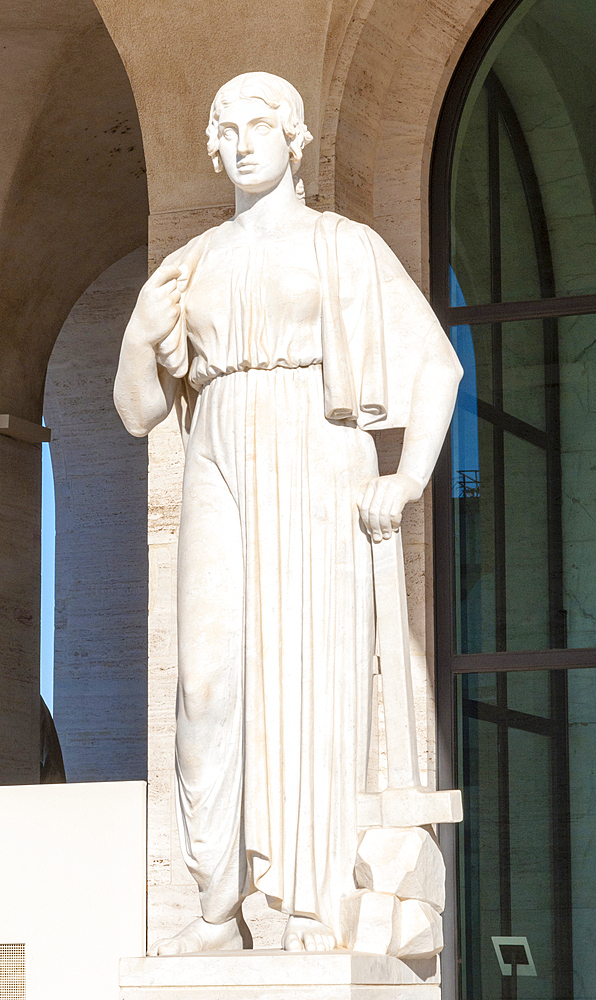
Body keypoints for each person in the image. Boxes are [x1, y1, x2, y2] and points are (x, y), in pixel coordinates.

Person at [114, 72, 462, 956]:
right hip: (216, 456)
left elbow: (438, 367)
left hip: (315, 451)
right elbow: (136, 411)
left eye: (258, 125)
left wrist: (408, 477)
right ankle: (218, 903)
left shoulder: (343, 246)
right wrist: (135, 336)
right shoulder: (189, 265)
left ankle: (314, 902)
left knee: (313, 671)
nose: (239, 142)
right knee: (208, 681)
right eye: (223, 128)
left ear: (295, 138)